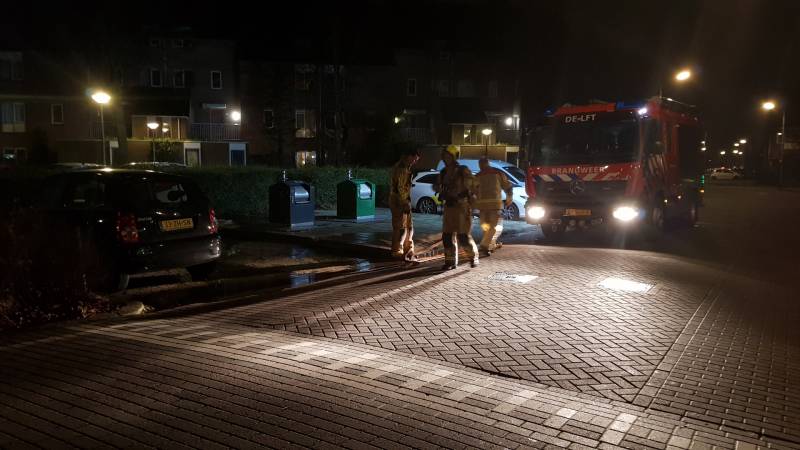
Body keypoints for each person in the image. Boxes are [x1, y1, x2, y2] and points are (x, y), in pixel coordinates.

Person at [434, 145, 478, 270]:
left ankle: (473, 257)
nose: (446, 158)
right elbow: (437, 186)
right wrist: (439, 190)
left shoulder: (463, 170)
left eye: (448, 156)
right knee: (447, 236)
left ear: (454, 157)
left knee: (463, 236)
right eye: (444, 156)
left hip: (462, 207)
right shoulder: (443, 172)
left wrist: (467, 193)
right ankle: (450, 262)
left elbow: (474, 184)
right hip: (449, 207)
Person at [474, 157, 514, 257]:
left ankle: (486, 245)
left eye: (481, 164)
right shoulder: (497, 173)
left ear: (482, 164)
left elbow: (473, 190)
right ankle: (487, 245)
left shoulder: (478, 176)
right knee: (491, 227)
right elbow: (507, 186)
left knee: (487, 227)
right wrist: (509, 197)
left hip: (484, 206)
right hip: (493, 205)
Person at [389, 148, 421, 262]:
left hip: (402, 201)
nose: (414, 162)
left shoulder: (404, 167)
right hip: (400, 202)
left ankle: (407, 249)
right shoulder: (402, 169)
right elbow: (401, 188)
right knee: (401, 227)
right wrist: (405, 203)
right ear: (409, 156)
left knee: (408, 226)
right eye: (414, 159)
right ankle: (398, 250)